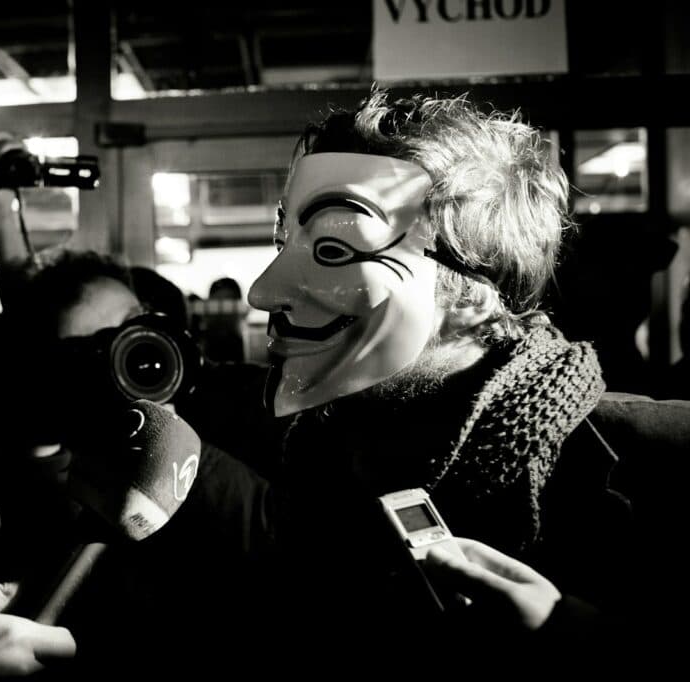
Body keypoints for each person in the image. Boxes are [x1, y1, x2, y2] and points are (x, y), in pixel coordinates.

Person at [231, 87, 688, 673]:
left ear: (475, 297)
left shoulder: (663, 463)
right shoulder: (308, 466)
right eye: (282, 242)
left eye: (333, 248)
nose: (264, 291)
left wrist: (571, 634)